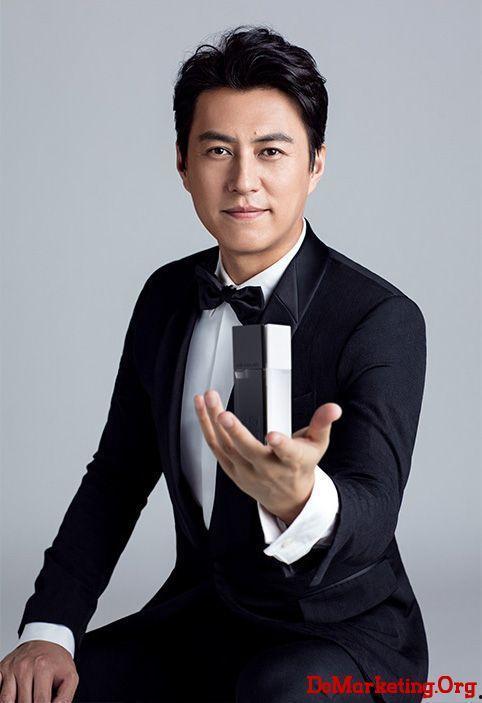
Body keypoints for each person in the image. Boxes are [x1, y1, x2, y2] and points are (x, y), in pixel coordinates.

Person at [0, 24, 429, 703]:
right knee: (37, 693)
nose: (243, 181)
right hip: (203, 619)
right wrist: (50, 628)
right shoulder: (167, 296)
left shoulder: (380, 317)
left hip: (343, 636)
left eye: (271, 151)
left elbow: (374, 510)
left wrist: (300, 499)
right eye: (218, 150)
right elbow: (116, 478)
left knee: (276, 692)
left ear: (316, 163)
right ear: (182, 164)